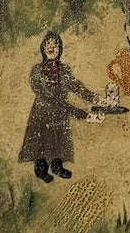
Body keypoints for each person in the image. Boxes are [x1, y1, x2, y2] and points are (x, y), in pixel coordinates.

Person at [17, 32, 101, 184]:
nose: (52, 47)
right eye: (48, 44)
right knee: (42, 141)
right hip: (42, 113)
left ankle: (57, 167)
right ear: (43, 48)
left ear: (59, 48)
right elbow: (47, 96)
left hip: (60, 114)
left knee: (59, 140)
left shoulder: (64, 69)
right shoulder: (36, 71)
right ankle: (41, 170)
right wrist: (80, 113)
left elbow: (76, 87)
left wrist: (95, 99)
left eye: (55, 44)